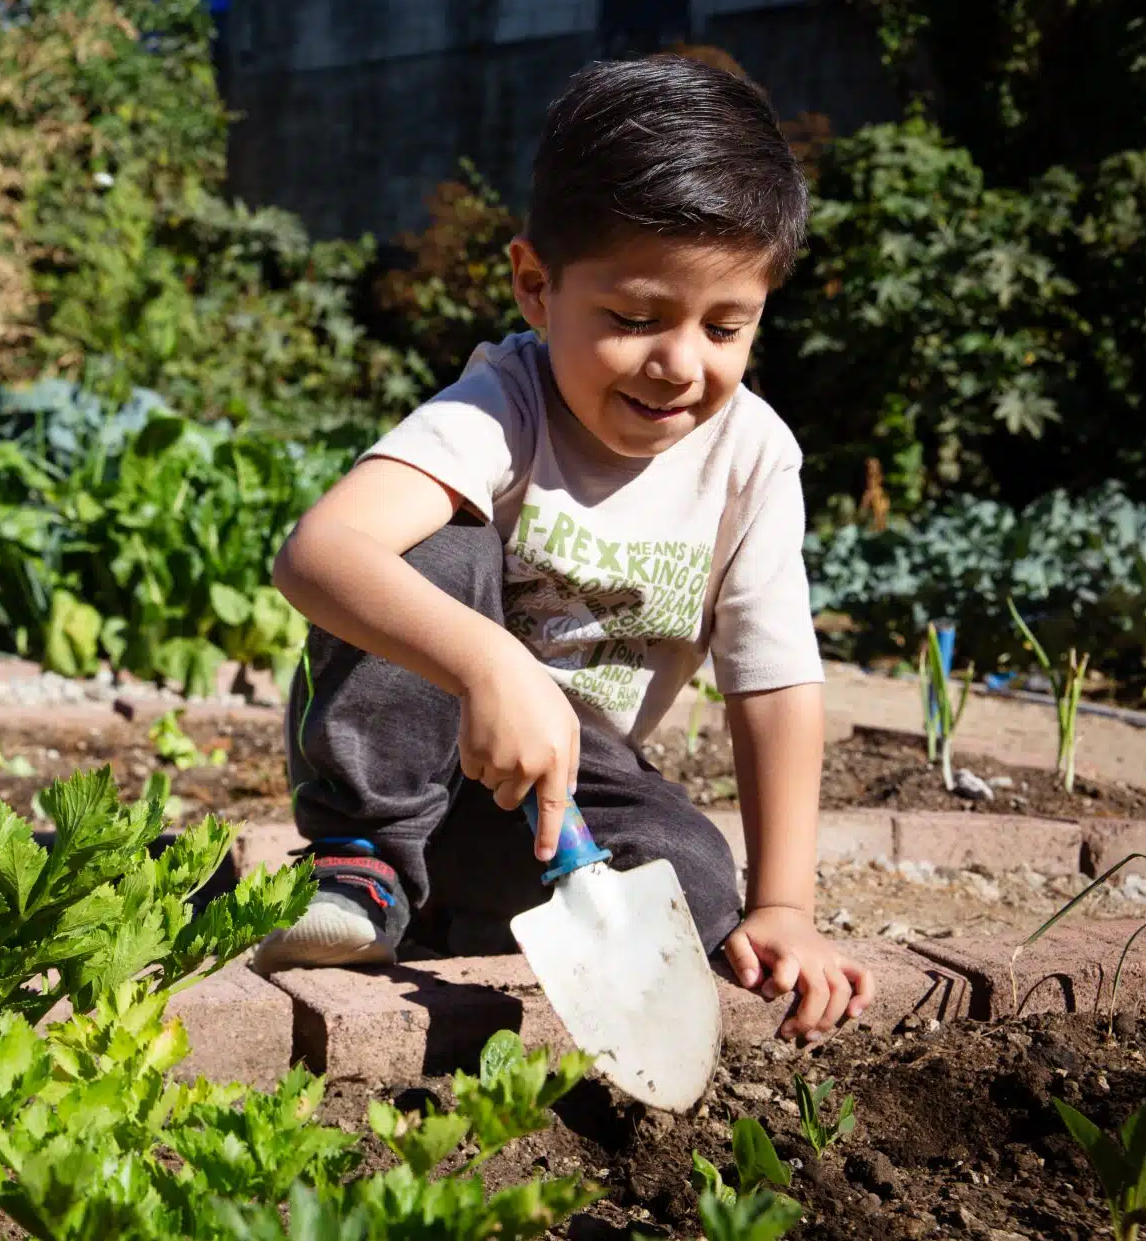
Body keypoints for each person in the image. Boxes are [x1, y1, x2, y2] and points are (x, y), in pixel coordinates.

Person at [254, 55, 874, 1044]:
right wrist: (489, 661)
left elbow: (774, 686)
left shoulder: (750, 460)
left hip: (566, 802)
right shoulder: (504, 405)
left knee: (695, 875)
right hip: (416, 756)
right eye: (634, 319)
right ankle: (362, 872)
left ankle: (468, 914)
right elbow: (317, 552)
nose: (678, 364)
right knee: (433, 546)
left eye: (724, 326)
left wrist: (783, 911)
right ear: (535, 287)